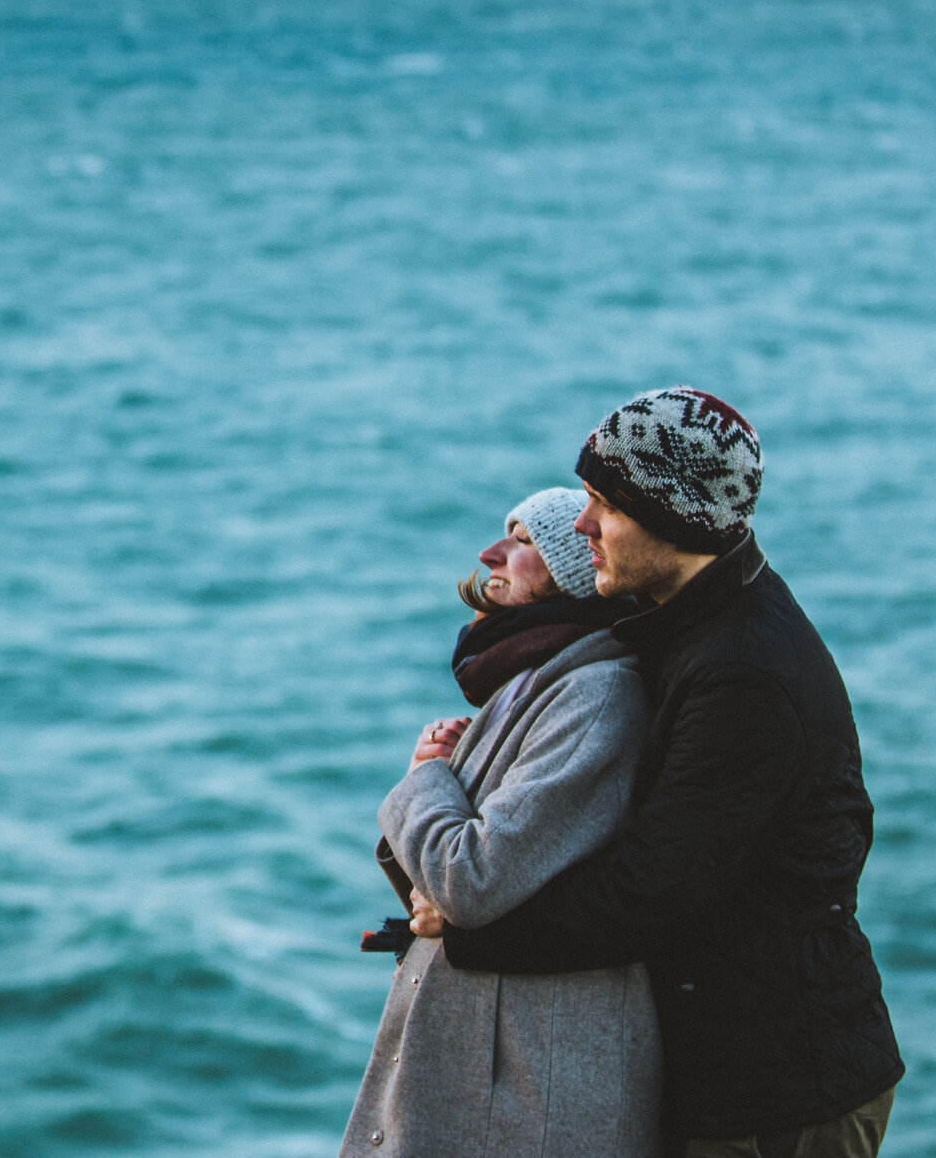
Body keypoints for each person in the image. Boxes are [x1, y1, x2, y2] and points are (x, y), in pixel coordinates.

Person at [413, 388, 905, 1157]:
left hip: (779, 1091)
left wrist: (475, 930)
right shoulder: (686, 618)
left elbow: (655, 889)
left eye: (603, 504)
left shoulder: (743, 673)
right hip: (729, 1065)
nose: (581, 525)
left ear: (673, 519)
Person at [339, 486, 662, 1157]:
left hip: (517, 1095)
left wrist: (424, 778)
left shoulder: (595, 696)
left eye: (524, 543)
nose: (491, 553)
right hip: (484, 1063)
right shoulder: (533, 679)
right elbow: (460, 889)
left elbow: (470, 879)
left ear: (574, 571)